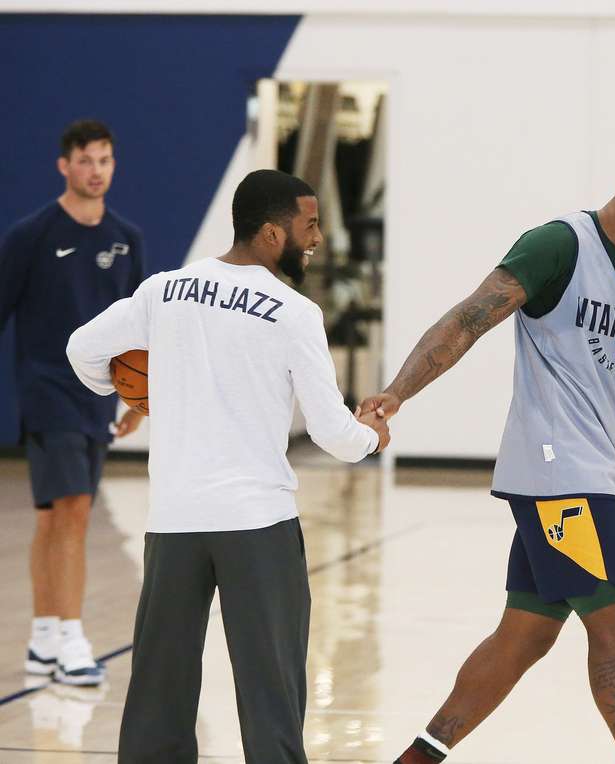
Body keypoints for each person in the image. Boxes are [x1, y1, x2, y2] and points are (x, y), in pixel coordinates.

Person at [360, 138, 615, 764]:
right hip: (560, 473)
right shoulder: (561, 245)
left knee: (524, 636)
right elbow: (469, 318)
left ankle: (416, 759)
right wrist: (396, 393)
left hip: (588, 474)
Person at [65, 169, 391, 764]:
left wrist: (135, 396)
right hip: (257, 523)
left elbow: (82, 348)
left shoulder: (164, 290)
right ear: (271, 234)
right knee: (271, 696)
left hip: (174, 520)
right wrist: (371, 436)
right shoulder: (294, 313)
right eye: (309, 224)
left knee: (158, 697)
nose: (317, 237)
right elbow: (331, 434)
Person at [0, 119, 146, 687]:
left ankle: (42, 639)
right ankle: (72, 638)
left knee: (53, 517)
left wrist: (137, 399)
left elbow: (137, 324)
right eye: (85, 160)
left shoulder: (126, 237)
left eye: (105, 160)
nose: (95, 170)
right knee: (77, 511)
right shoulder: (30, 234)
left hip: (99, 398)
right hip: (47, 389)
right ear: (65, 165)